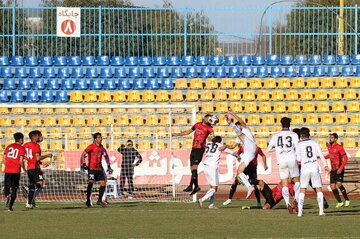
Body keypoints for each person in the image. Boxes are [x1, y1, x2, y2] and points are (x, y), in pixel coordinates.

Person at [172, 114, 217, 195]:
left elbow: (212, 137)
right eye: (208, 117)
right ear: (205, 118)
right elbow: (188, 132)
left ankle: (191, 186)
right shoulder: (197, 124)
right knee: (192, 169)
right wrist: (177, 134)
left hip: (200, 148)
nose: (209, 119)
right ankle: (196, 186)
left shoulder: (209, 128)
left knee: (194, 167)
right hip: (194, 148)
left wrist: (214, 139)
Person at [267, 117, 300, 213]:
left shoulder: (276, 135)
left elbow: (269, 149)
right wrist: (298, 159)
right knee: (297, 181)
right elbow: (297, 148)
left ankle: (287, 204)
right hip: (292, 159)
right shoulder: (293, 135)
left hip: (281, 161)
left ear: (281, 125)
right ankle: (295, 199)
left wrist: (277, 149)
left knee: (284, 183)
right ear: (289, 125)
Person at [296, 127, 329, 217]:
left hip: (305, 169)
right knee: (318, 189)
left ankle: (300, 212)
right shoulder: (314, 143)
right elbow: (321, 155)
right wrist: (325, 165)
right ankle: (321, 211)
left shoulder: (299, 145)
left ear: (301, 135)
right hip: (314, 168)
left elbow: (298, 159)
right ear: (309, 134)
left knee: (302, 190)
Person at [224, 110, 257, 199]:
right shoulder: (239, 137)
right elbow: (233, 146)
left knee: (239, 134)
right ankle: (249, 187)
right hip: (249, 152)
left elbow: (241, 122)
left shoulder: (246, 129)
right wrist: (225, 147)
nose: (239, 127)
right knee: (239, 172)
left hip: (251, 146)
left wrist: (232, 114)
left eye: (238, 126)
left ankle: (230, 123)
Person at [80, 132, 113, 207]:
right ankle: (88, 200)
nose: (100, 139)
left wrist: (108, 166)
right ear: (95, 139)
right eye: (99, 137)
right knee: (91, 183)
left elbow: (106, 156)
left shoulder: (102, 147)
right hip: (92, 168)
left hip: (99, 168)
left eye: (101, 137)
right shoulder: (91, 146)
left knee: (103, 182)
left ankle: (99, 200)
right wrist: (83, 164)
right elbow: (83, 154)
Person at [23, 130, 52, 209]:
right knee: (41, 184)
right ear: (35, 137)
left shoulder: (26, 145)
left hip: (29, 168)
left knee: (34, 187)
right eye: (40, 135)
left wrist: (41, 163)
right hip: (35, 168)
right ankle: (27, 188)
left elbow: (24, 156)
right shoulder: (36, 145)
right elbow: (37, 157)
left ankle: (29, 204)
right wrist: (47, 155)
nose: (41, 137)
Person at [198, 136, 228, 209]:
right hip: (213, 167)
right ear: (220, 141)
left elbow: (208, 138)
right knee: (214, 188)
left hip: (206, 166)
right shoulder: (219, 145)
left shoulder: (208, 144)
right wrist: (237, 156)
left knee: (212, 187)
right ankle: (202, 199)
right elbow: (230, 150)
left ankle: (211, 204)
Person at [324, 133, 350, 208]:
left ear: (336, 139)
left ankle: (347, 200)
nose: (330, 139)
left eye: (332, 137)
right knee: (332, 186)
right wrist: (322, 157)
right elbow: (330, 155)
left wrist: (341, 168)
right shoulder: (329, 146)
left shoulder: (339, 147)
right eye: (329, 137)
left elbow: (345, 158)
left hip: (339, 168)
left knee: (339, 184)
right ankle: (340, 202)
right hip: (333, 169)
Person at [3, 133, 27, 211]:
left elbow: (4, 159)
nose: (23, 140)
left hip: (7, 170)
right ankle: (10, 207)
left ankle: (7, 196)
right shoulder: (22, 148)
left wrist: (8, 165)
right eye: (23, 139)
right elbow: (21, 161)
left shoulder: (9, 147)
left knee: (7, 187)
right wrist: (24, 169)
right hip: (16, 171)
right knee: (14, 188)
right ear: (20, 139)